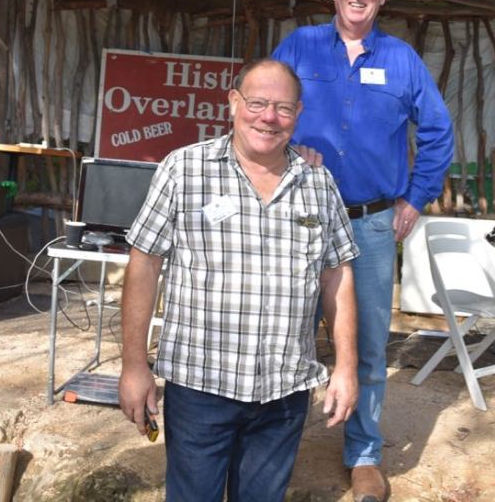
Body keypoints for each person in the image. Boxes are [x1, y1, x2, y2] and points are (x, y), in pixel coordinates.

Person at [118, 58, 360, 502]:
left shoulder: (318, 183)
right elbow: (144, 264)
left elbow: (336, 277)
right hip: (201, 387)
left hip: (284, 391)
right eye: (257, 103)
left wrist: (346, 367)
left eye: (283, 108)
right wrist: (134, 365)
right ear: (233, 103)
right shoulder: (184, 170)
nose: (269, 117)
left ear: (298, 114)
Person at [272, 0, 454, 502]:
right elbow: (265, 111)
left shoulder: (402, 60)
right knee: (285, 338)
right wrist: (289, 147)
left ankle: (365, 454)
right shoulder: (299, 46)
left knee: (370, 344)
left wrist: (415, 198)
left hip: (371, 226)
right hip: (298, 218)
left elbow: (438, 132)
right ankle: (274, 451)